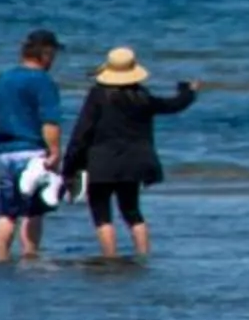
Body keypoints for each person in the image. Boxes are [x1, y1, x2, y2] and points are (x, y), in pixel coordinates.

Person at [61, 46, 200, 261]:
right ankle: (143, 257)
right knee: (132, 212)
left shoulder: (98, 95)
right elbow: (173, 105)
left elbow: (82, 133)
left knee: (102, 215)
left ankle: (110, 258)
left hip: (102, 163)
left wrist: (69, 167)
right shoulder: (142, 96)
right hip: (134, 163)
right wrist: (188, 92)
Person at [0, 28, 65, 263]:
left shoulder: (3, 79)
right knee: (33, 210)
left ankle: (1, 257)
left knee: (6, 211)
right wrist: (55, 152)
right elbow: (49, 121)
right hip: (32, 150)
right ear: (46, 53)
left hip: (5, 151)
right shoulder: (43, 81)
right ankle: (30, 255)